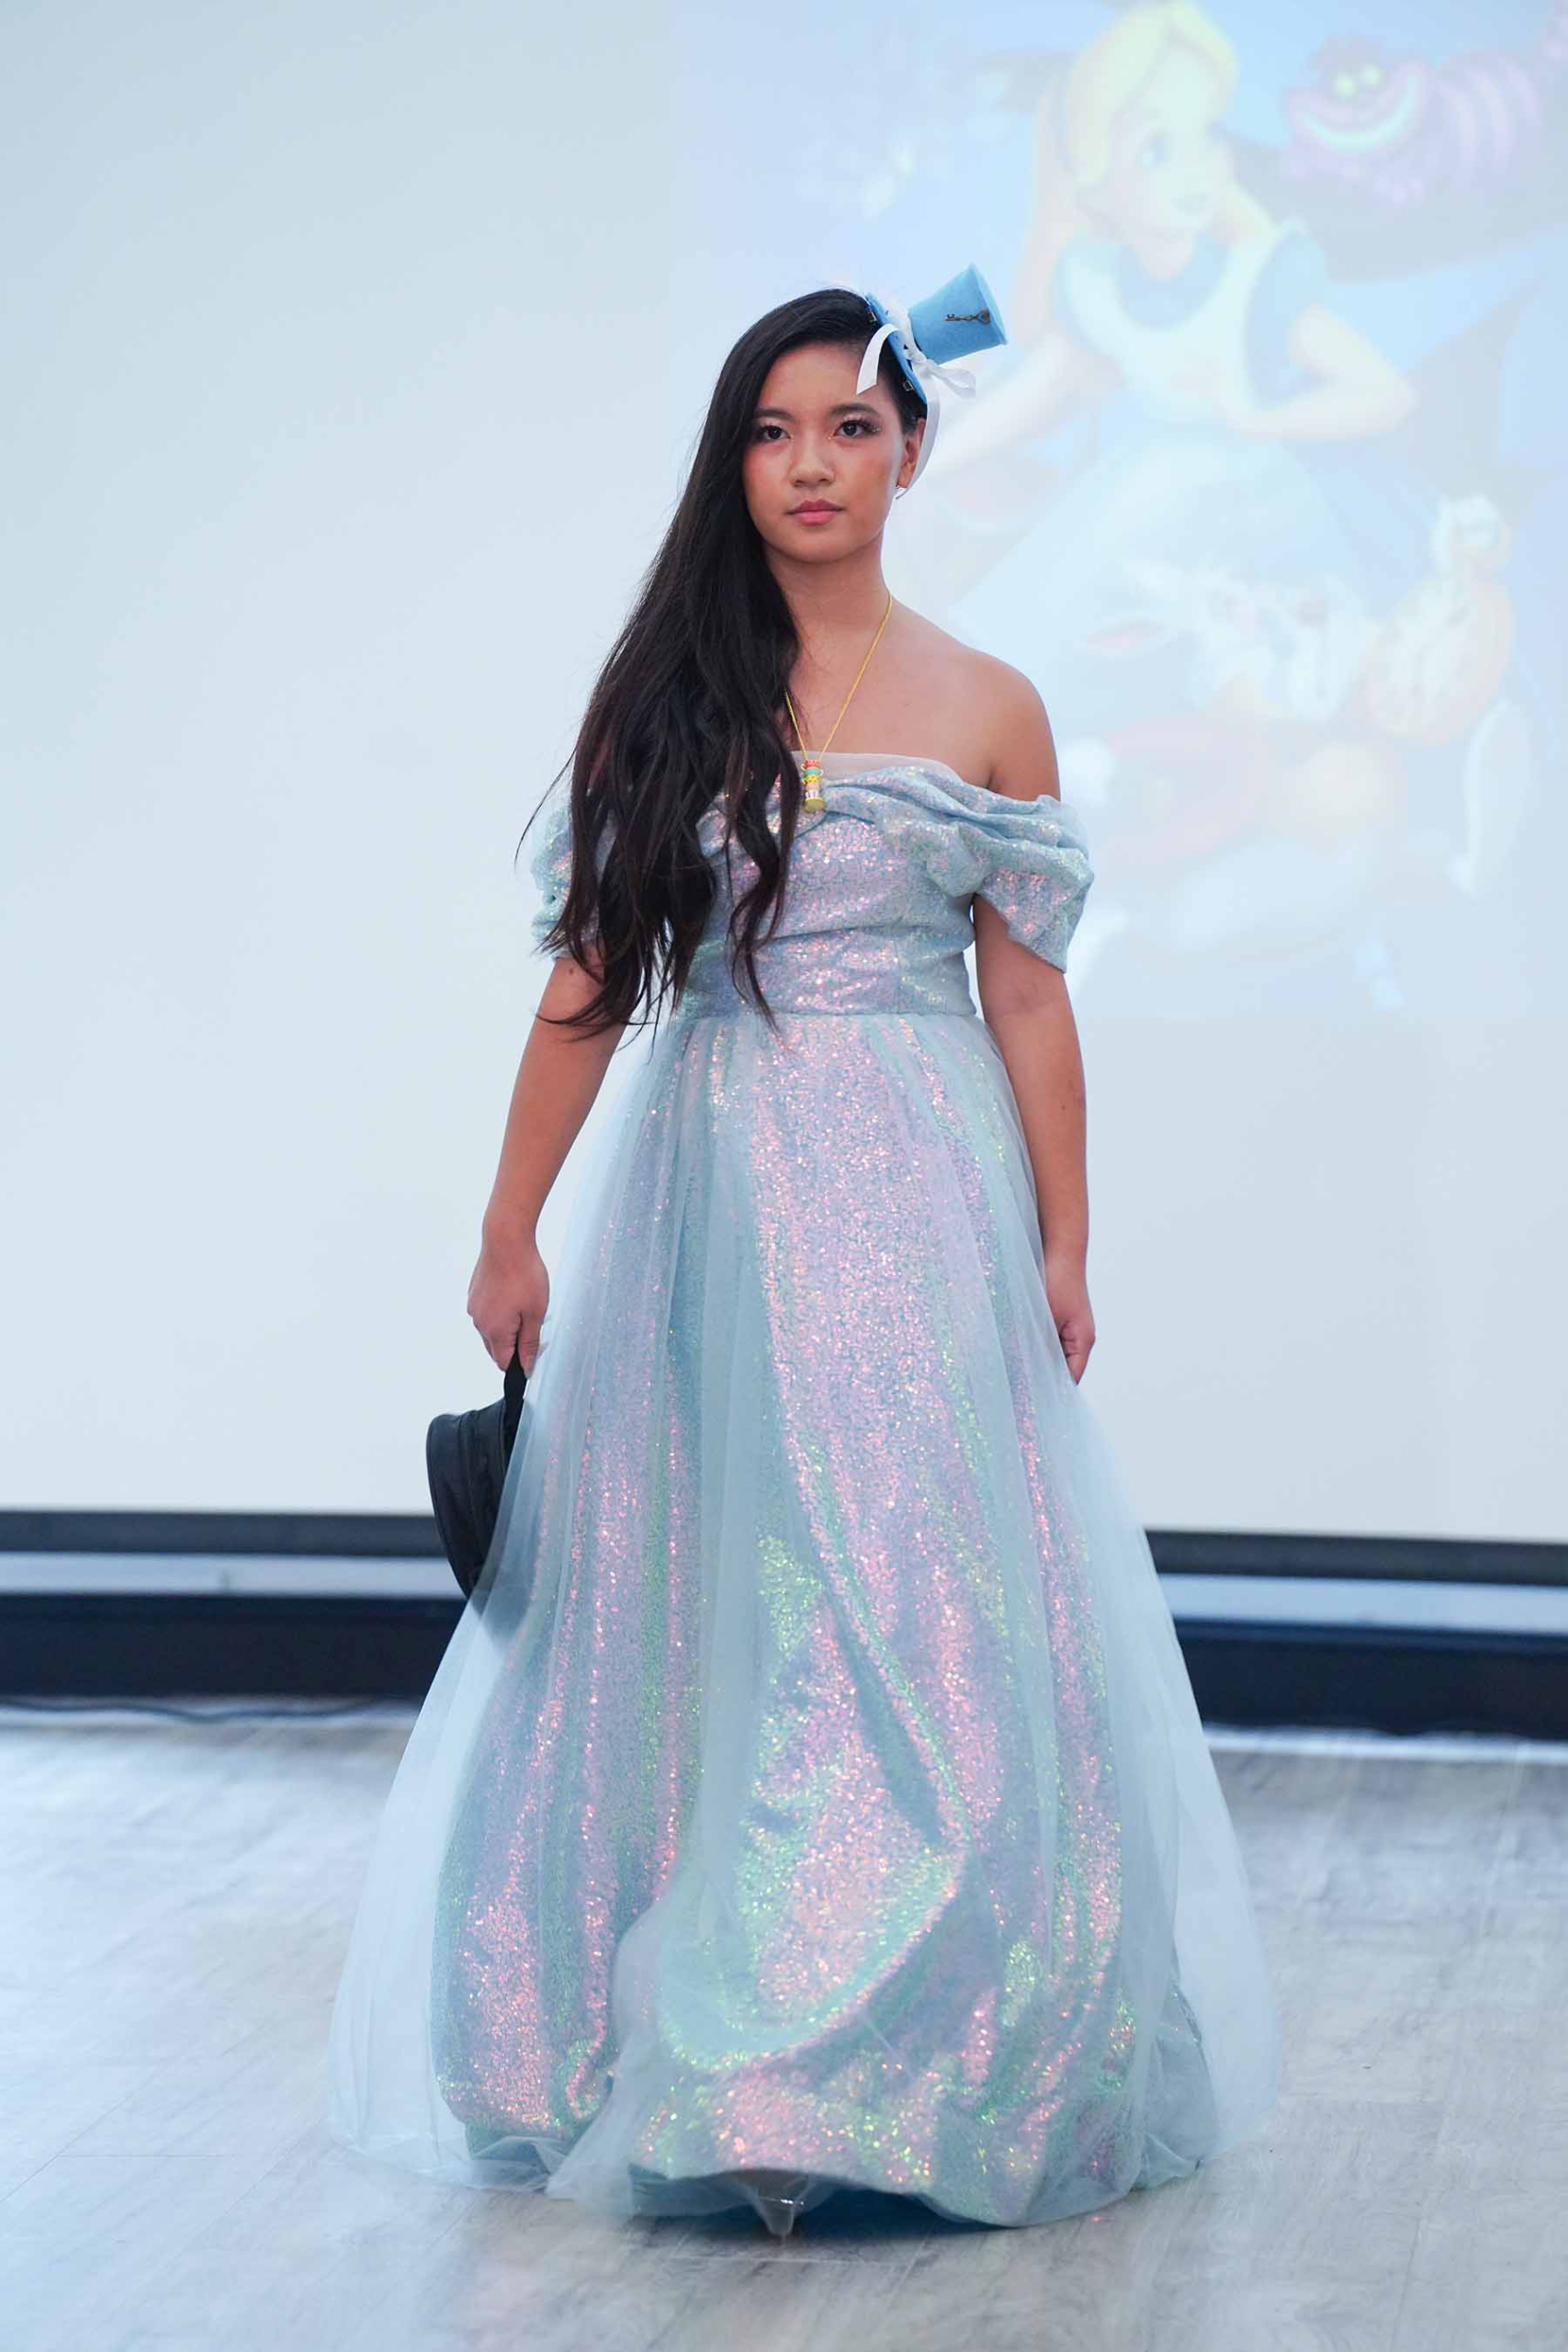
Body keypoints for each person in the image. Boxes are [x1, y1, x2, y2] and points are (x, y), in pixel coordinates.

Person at [326, 266, 1280, 2241]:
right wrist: (507, 1221)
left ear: (911, 451)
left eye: (850, 425)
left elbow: (1027, 996)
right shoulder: (667, 698)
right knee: (699, 1586)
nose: (811, 464)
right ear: (732, 463)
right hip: (708, 1189)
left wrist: (1066, 1233)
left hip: (918, 1191)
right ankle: (717, 2068)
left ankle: (894, 2049)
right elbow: (592, 979)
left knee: (907, 1589)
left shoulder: (987, 702)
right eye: (771, 431)